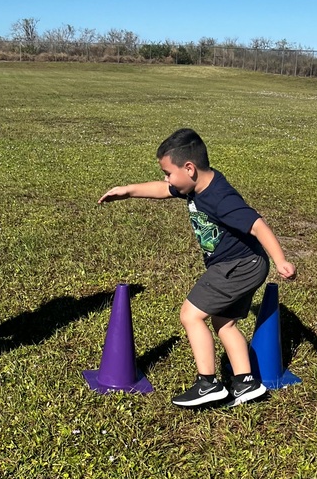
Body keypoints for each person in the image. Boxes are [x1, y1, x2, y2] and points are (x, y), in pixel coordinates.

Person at [98, 128, 296, 407]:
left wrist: (281, 260)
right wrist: (128, 191)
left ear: (189, 168)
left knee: (190, 316)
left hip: (237, 265)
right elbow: (161, 189)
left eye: (168, 172)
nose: (166, 179)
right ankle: (246, 383)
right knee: (223, 323)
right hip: (244, 264)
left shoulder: (220, 197)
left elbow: (257, 225)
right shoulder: (194, 185)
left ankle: (208, 384)